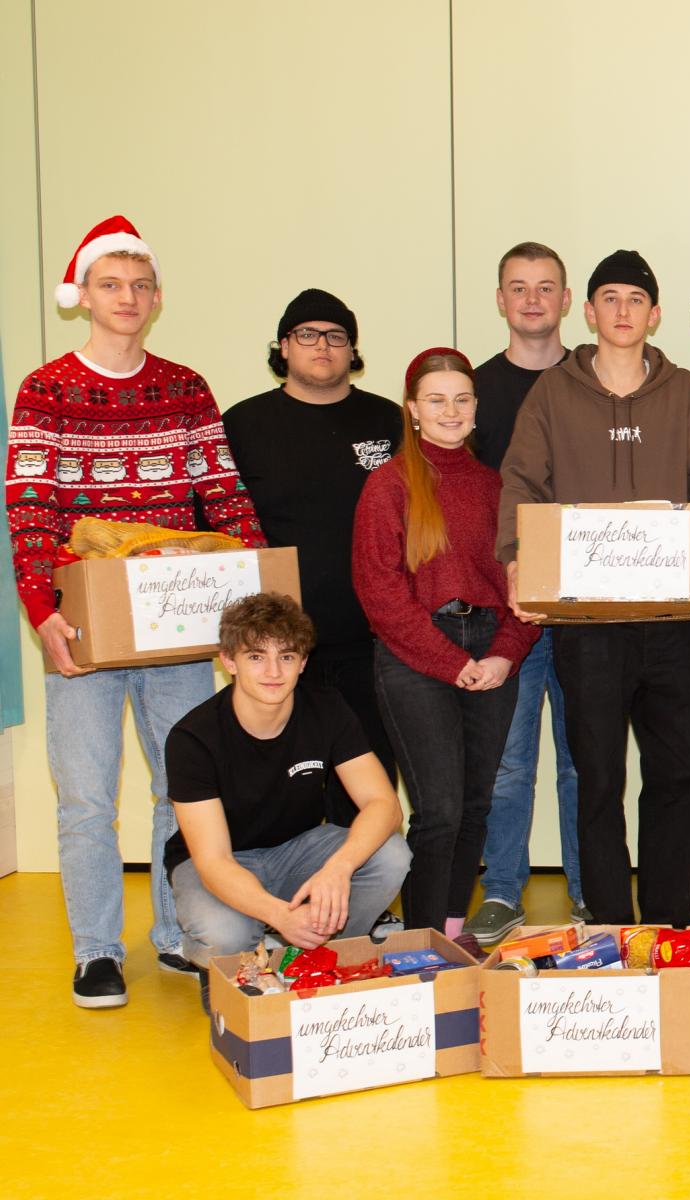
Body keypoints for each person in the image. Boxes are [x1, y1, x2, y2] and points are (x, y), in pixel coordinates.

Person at [7, 215, 265, 1006]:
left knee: (179, 789)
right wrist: (43, 614)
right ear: (82, 295)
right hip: (84, 625)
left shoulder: (184, 388)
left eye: (141, 285)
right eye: (111, 284)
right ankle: (95, 951)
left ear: (157, 298)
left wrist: (254, 600)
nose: (128, 297)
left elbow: (223, 496)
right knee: (86, 795)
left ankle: (175, 937)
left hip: (179, 630)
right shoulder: (46, 389)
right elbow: (28, 510)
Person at [497, 248, 690, 927]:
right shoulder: (551, 393)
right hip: (589, 630)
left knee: (683, 774)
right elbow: (520, 486)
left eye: (634, 300)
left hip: (673, 624)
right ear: (588, 311)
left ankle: (669, 924)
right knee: (597, 780)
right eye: (609, 299)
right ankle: (610, 924)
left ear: (655, 315)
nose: (621, 311)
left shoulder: (683, 395)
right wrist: (516, 558)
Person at [353, 348, 537, 937]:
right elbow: (378, 591)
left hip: (490, 651)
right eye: (435, 399)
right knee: (440, 811)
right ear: (411, 409)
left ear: (477, 409)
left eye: (461, 399)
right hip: (418, 654)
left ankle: (453, 934)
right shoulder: (389, 486)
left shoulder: (496, 486)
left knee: (476, 805)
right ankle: (422, 942)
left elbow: (526, 584)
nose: (450, 410)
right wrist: (451, 662)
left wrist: (506, 654)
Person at [165, 594, 411, 975]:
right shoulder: (192, 738)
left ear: (303, 663)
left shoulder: (327, 708)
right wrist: (281, 915)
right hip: (222, 860)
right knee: (227, 934)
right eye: (256, 656)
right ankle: (218, 954)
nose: (273, 672)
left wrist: (338, 869)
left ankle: (330, 956)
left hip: (295, 850)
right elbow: (214, 862)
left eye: (287, 656)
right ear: (228, 661)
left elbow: (384, 804)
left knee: (391, 854)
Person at [222, 288, 403, 789]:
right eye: (307, 334)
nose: (322, 344)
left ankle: (368, 869)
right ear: (284, 346)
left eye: (336, 336)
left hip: (373, 638)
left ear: (352, 350)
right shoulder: (243, 424)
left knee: (369, 777)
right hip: (276, 645)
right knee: (279, 784)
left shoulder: (389, 420)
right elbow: (216, 526)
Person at [467, 241, 583, 945]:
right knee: (509, 763)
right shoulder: (474, 392)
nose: (533, 299)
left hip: (588, 612)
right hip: (507, 614)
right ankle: (502, 890)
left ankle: (587, 890)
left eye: (547, 287)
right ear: (502, 300)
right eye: (519, 287)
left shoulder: (598, 382)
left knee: (584, 761)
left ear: (567, 301)